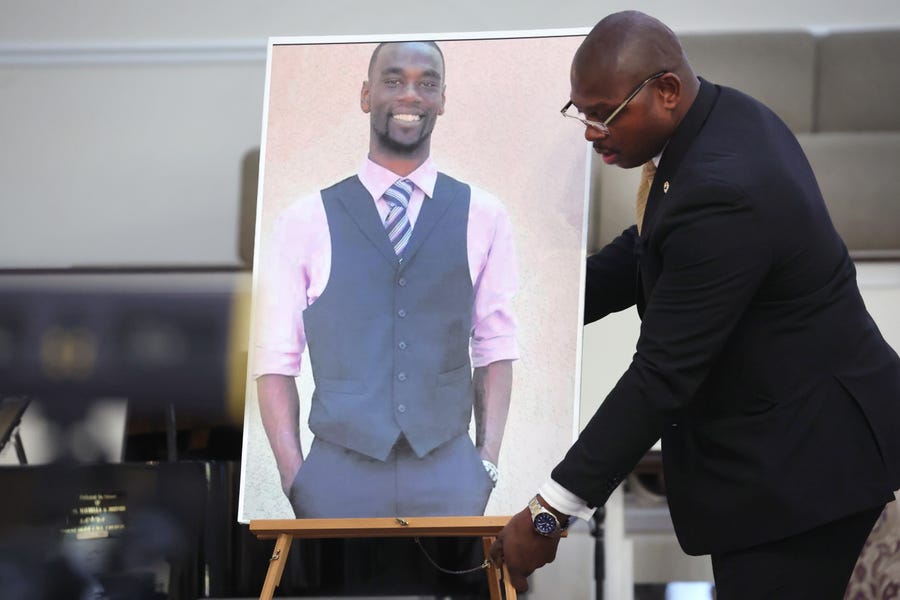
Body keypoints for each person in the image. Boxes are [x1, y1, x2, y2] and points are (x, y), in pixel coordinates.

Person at [490, 11, 900, 598]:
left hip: (804, 471)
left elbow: (660, 376)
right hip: (791, 448)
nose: (590, 131)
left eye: (604, 112)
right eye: (580, 111)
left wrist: (552, 512)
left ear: (667, 91)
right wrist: (522, 307)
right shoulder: (722, 117)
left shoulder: (723, 190)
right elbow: (650, 245)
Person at [253, 40, 518, 518]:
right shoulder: (303, 219)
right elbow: (274, 357)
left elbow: (495, 347)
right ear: (365, 95)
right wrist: (296, 477)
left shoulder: (486, 215)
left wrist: (487, 463)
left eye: (427, 83)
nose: (411, 95)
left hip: (449, 474)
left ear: (442, 100)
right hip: (337, 475)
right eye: (393, 80)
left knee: (457, 595)